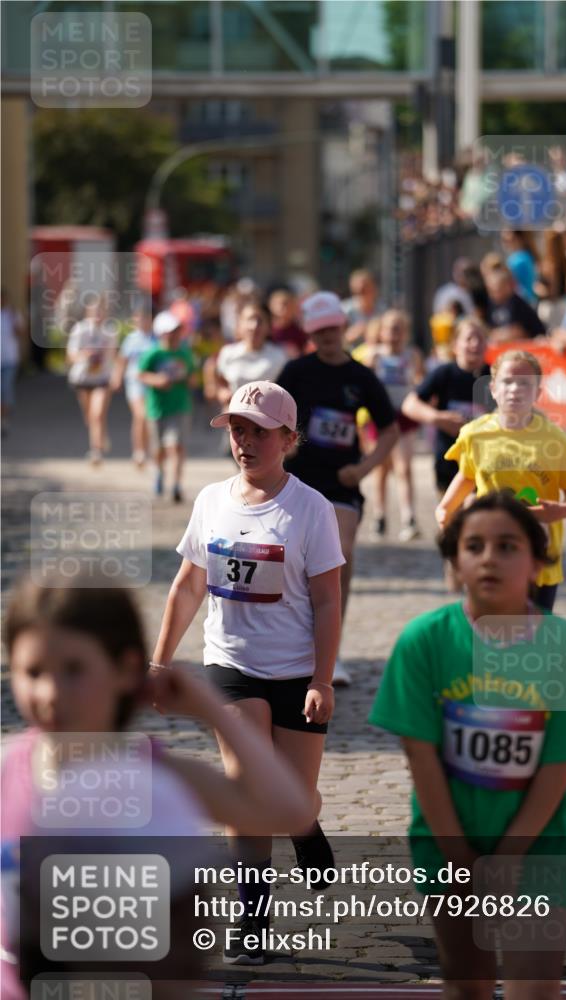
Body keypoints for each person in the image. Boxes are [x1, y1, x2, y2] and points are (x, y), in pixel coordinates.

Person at [1, 576, 314, 999]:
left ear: (125, 670)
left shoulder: (158, 776)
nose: (51, 693)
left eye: (74, 670)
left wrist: (212, 710)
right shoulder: (8, 769)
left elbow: (292, 811)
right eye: (33, 672)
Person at [369, 492, 566, 1000]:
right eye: (473, 546)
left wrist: (510, 856)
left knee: (534, 988)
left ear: (538, 564)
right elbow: (421, 757)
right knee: (466, 982)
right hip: (447, 838)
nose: (490, 558)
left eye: (508, 546)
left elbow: (559, 764)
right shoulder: (424, 641)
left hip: (540, 842)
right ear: (455, 564)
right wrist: (457, 855)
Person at [150, 380, 344, 964]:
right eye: (238, 430)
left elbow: (328, 600)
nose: (246, 442)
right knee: (247, 788)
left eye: (259, 432)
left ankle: (304, 825)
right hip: (230, 665)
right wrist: (160, 661)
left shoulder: (311, 508)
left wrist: (322, 679)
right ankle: (251, 919)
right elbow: (188, 586)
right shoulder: (211, 501)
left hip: (296, 671)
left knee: (292, 797)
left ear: (288, 439)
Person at [278, 292, 398, 686]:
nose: (327, 336)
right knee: (290, 563)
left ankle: (332, 654)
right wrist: (284, 444)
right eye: (319, 330)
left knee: (340, 555)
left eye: (332, 328)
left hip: (340, 484)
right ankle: (291, 646)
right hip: (295, 481)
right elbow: (269, 416)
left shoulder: (361, 377)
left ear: (343, 327)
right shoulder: (296, 371)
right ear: (311, 333)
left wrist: (363, 469)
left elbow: (390, 430)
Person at [435, 350, 566, 611]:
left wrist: (563, 510)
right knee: (486, 629)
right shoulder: (475, 434)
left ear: (538, 393)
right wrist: (445, 508)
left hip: (538, 556)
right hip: (489, 553)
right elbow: (467, 475)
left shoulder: (554, 439)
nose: (515, 389)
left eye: (525, 383)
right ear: (493, 389)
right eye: (507, 382)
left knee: (533, 632)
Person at [402, 319, 492, 494]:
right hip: (448, 463)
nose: (475, 344)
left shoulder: (495, 375)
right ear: (455, 345)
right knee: (450, 511)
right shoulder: (444, 373)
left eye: (480, 339)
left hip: (486, 464)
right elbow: (409, 405)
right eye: (469, 339)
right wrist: (438, 418)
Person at [365, 309, 424, 541]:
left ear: (406, 332)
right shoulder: (374, 355)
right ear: (381, 331)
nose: (394, 334)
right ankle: (379, 517)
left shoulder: (412, 355)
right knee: (380, 468)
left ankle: (409, 517)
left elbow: (421, 381)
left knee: (404, 467)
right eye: (390, 329)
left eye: (399, 329)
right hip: (380, 416)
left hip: (404, 416)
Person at [138, 310, 196, 503]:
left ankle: (177, 485)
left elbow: (192, 376)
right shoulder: (154, 353)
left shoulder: (184, 353)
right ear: (162, 333)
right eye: (171, 331)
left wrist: (189, 380)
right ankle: (159, 473)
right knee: (158, 449)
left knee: (176, 446)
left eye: (178, 330)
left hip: (180, 406)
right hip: (157, 408)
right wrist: (157, 380)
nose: (175, 335)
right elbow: (141, 374)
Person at [66, 295, 118, 465]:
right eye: (94, 312)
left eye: (100, 312)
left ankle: (96, 451)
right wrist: (85, 356)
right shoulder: (79, 330)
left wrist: (115, 374)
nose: (97, 315)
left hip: (102, 378)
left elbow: (113, 356)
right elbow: (71, 355)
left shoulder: (109, 332)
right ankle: (102, 435)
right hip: (83, 378)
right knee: (89, 416)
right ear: (88, 312)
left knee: (97, 413)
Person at [207, 301, 286, 411]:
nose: (254, 326)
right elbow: (215, 376)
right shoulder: (228, 353)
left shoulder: (280, 356)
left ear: (268, 326)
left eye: (260, 320)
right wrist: (221, 392)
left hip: (267, 417)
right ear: (240, 324)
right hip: (234, 416)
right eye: (250, 319)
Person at [110, 306, 155, 467]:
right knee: (140, 415)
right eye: (138, 318)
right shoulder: (131, 339)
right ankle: (139, 451)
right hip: (135, 382)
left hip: (151, 383)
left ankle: (148, 449)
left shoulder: (156, 338)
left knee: (150, 418)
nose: (141, 321)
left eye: (144, 318)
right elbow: (122, 360)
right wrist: (117, 377)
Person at [483, 268, 545, 343]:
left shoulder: (519, 305)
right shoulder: (492, 305)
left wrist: (502, 335)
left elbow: (521, 332)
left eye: (497, 290)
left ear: (507, 287)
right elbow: (490, 330)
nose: (493, 294)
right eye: (491, 291)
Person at [342, 269, 385, 350]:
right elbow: (337, 340)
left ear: (374, 288)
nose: (361, 292)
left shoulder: (383, 310)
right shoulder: (344, 310)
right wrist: (351, 335)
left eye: (365, 289)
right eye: (358, 291)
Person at [1, 287, 23, 437]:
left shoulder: (12, 314)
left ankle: (4, 421)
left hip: (9, 359)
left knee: (6, 389)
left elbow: (21, 332)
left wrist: (14, 321)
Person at [267, 286, 309, 358]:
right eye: (278, 304)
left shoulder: (299, 331)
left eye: (286, 304)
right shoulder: (267, 330)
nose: (282, 307)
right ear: (271, 306)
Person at [500, 230, 539, 305]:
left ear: (517, 238)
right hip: (530, 300)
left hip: (522, 301)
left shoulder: (516, 260)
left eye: (507, 240)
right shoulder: (527, 255)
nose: (505, 243)